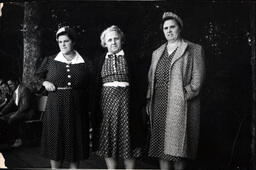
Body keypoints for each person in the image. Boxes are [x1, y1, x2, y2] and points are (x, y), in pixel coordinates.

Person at [146, 12, 205, 170]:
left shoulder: (193, 49)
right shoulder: (157, 52)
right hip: (158, 104)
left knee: (178, 149)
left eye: (173, 27)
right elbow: (151, 78)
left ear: (180, 28)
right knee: (160, 149)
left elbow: (197, 79)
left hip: (179, 104)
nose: (169, 31)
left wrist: (186, 93)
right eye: (166, 28)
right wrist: (148, 99)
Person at [35, 26, 90, 169]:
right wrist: (45, 82)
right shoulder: (50, 60)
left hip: (77, 108)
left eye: (66, 41)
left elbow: (92, 85)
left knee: (75, 144)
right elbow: (36, 76)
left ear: (73, 42)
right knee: (55, 141)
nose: (63, 44)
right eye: (60, 42)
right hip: (55, 107)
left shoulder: (85, 62)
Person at [92, 25, 143, 169]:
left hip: (128, 110)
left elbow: (140, 85)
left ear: (121, 40)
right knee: (108, 142)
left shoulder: (132, 59)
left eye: (116, 39)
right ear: (104, 43)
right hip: (106, 110)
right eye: (109, 40)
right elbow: (94, 88)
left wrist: (138, 106)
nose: (113, 42)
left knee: (130, 142)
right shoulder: (99, 61)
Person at [0, 81, 35, 147]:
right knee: (2, 118)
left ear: (16, 82)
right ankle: (9, 139)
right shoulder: (15, 91)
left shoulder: (24, 90)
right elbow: (10, 104)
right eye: (9, 85)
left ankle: (18, 140)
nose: (10, 86)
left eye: (11, 84)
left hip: (28, 113)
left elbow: (25, 106)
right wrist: (2, 112)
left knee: (11, 118)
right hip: (21, 112)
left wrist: (15, 114)